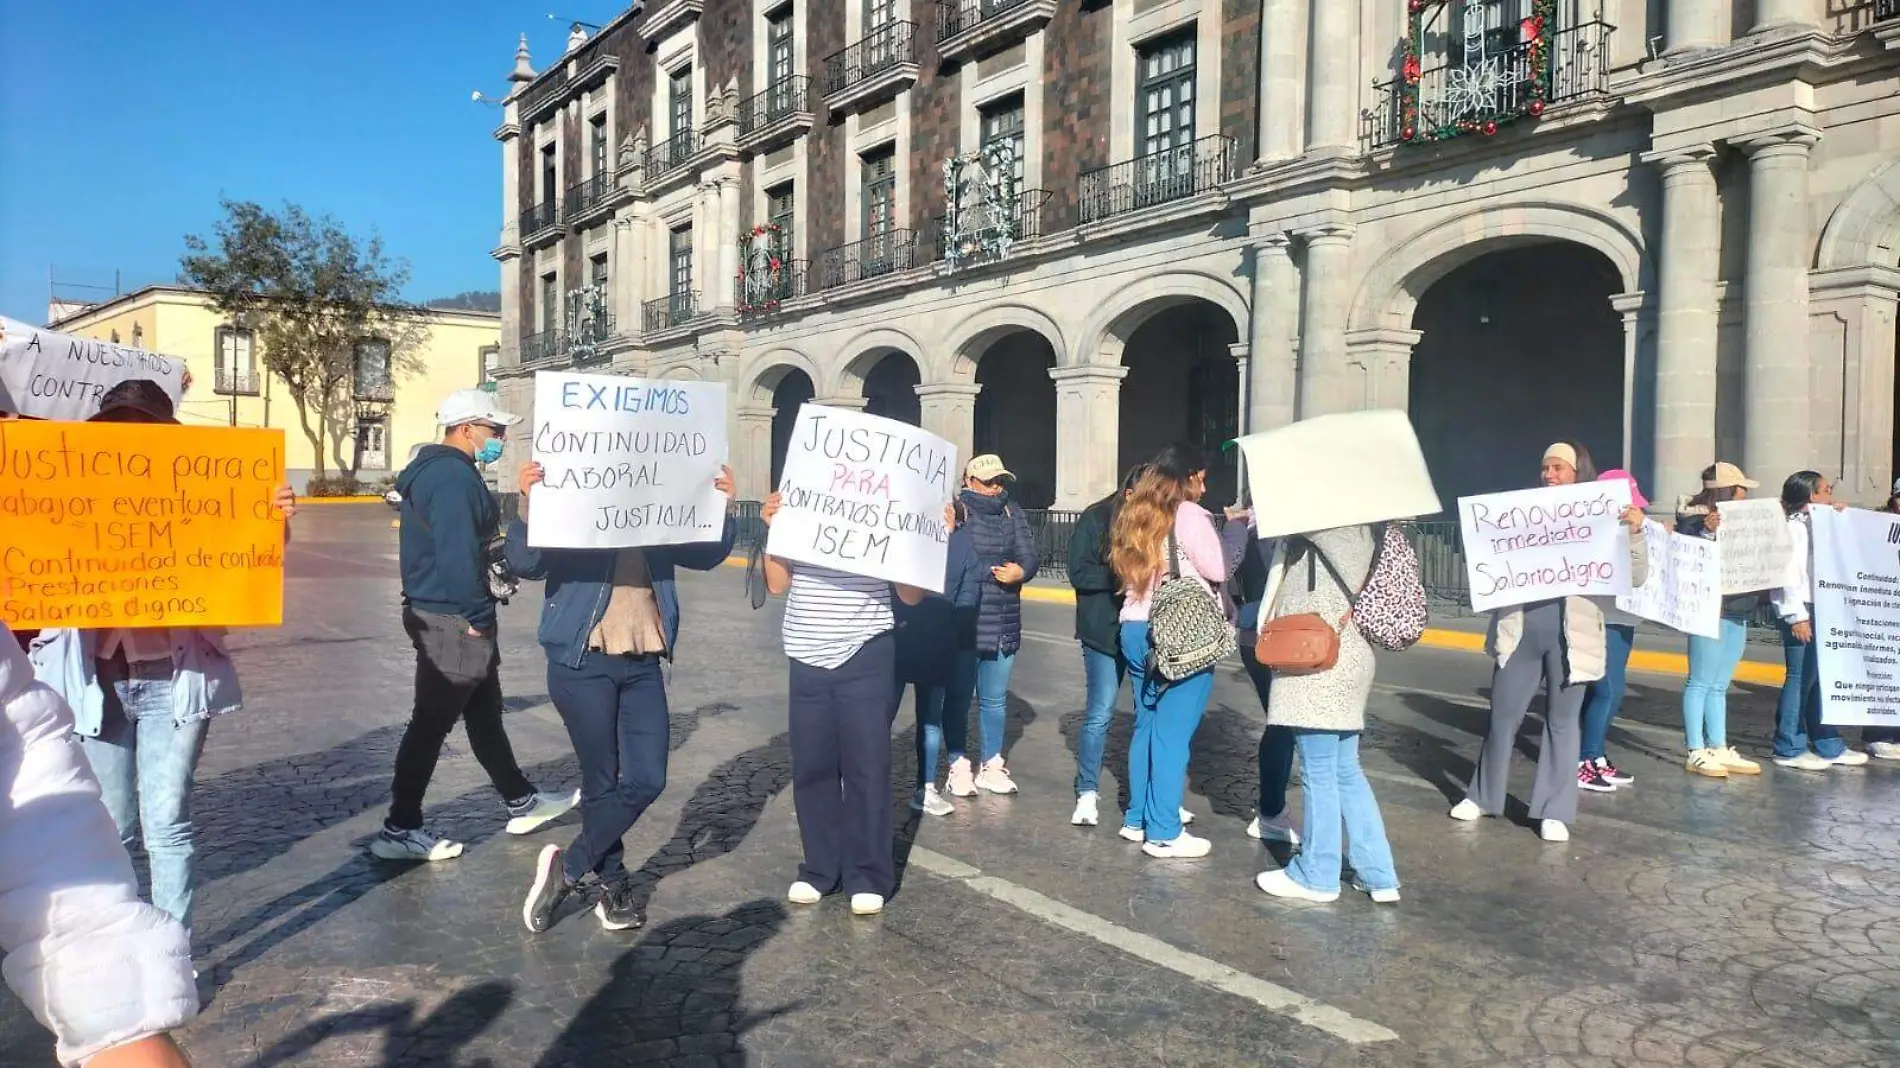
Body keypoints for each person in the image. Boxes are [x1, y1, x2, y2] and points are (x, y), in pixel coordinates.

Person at [28, 380, 297, 942]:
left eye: (145, 429)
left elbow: (248, 556)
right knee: (113, 828)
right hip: (96, 683)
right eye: (120, 427)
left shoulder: (191, 494)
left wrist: (274, 519)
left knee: (167, 825)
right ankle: (122, 954)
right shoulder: (76, 495)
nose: (132, 439)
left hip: (174, 681)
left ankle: (174, 952)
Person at [512, 461, 740, 934]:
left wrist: (723, 505)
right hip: (583, 660)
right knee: (601, 782)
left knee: (647, 778)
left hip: (643, 661)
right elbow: (525, 563)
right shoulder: (576, 496)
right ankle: (612, 885)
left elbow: (705, 554)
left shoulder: (659, 507)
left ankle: (570, 868)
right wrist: (529, 501)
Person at [374, 389, 576, 862]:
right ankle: (400, 828)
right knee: (430, 723)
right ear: (466, 429)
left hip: (444, 610)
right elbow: (456, 553)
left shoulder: (443, 470)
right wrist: (478, 618)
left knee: (484, 713)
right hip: (452, 616)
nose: (501, 439)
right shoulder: (451, 478)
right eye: (495, 431)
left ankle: (520, 800)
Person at [4, 622, 199, 1068]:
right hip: (95, 672)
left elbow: (19, 752)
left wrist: (125, 1009)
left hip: (177, 665)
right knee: (120, 822)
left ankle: (175, 958)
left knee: (167, 825)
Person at [1451, 441, 1647, 843]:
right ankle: (1483, 795)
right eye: (1546, 468)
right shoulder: (1523, 514)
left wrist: (1635, 533)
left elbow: (1637, 576)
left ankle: (1554, 810)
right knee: (1503, 716)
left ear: (1577, 473)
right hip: (1520, 630)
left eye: (1558, 467)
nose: (1550, 475)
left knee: (1562, 722)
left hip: (1572, 637)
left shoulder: (1603, 517)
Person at [758, 492, 930, 916]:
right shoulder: (800, 508)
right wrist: (773, 530)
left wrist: (922, 539)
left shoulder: (887, 512)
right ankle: (819, 867)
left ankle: (868, 873)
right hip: (805, 652)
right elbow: (778, 584)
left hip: (866, 651)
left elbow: (911, 597)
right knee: (812, 766)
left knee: (867, 766)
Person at [1254, 525, 1404, 903]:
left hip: (1317, 659)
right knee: (1346, 770)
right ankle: (1378, 873)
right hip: (1351, 656)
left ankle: (1317, 873)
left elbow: (1287, 600)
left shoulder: (1314, 531)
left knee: (1318, 771)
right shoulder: (1368, 531)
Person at [1107, 443, 1233, 859]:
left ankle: (1137, 817)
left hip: (1135, 624)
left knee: (1148, 725)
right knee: (1173, 734)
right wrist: (1232, 532)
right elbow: (1218, 569)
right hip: (1180, 630)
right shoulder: (1191, 515)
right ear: (1191, 477)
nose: (1205, 484)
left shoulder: (1136, 512)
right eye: (1202, 476)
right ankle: (1164, 830)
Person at [945, 454, 1039, 798]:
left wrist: (1022, 571)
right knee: (958, 697)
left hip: (1003, 616)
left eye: (1000, 480)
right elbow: (953, 559)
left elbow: (1029, 553)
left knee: (994, 699)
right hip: (966, 616)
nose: (995, 487)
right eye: (988, 481)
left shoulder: (1012, 511)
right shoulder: (958, 512)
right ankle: (957, 764)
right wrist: (992, 571)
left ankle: (992, 763)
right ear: (969, 481)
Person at [1770, 471, 1868, 771]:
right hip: (1803, 609)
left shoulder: (1818, 524)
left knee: (1821, 679)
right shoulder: (1793, 529)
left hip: (1823, 605)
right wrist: (1796, 615)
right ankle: (1789, 745)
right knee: (1800, 679)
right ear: (1811, 496)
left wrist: (1839, 518)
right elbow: (1787, 574)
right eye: (1826, 490)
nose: (1830, 495)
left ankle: (1826, 741)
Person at [1674, 463, 1766, 779]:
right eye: (1740, 489)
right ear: (1727, 490)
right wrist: (1707, 532)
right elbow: (1685, 552)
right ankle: (1695, 749)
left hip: (1737, 609)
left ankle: (1718, 745)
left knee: (1719, 685)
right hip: (1709, 610)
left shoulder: (1743, 522)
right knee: (1700, 681)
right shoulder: (1693, 520)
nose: (1745, 494)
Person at [1065, 464, 1145, 828]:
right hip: (1103, 630)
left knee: (1150, 718)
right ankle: (1087, 791)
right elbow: (1078, 573)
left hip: (1144, 629)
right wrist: (1123, 574)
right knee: (1100, 712)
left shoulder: (1157, 522)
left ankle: (1152, 798)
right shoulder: (1096, 517)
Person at [894, 499, 981, 817]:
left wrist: (948, 631)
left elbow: (968, 595)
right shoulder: (904, 538)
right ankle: (861, 781)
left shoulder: (963, 545)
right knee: (878, 718)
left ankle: (926, 786)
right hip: (897, 638)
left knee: (930, 719)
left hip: (937, 642)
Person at [1576, 468, 1648, 793]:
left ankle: (1597, 756)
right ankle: (1583, 759)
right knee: (1605, 690)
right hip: (1598, 617)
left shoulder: (1636, 530)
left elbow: (1639, 574)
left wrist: (1636, 533)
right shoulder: (1592, 532)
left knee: (1613, 691)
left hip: (1624, 619)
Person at [1232, 510, 1300, 845]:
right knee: (1282, 724)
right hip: (1271, 636)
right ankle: (1271, 811)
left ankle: (1272, 809)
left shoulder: (1246, 531)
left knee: (1281, 723)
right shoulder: (1272, 536)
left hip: (1253, 634)